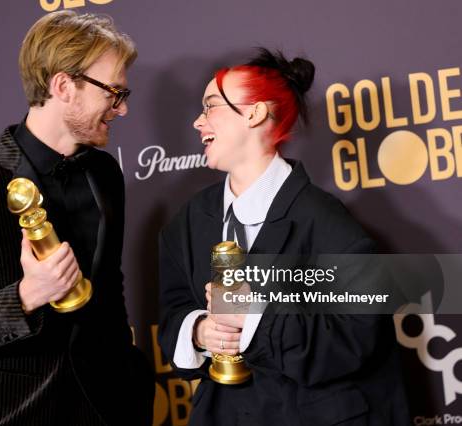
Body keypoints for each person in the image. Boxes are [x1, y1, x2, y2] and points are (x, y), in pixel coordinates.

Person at [158, 48, 410, 425]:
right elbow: (173, 309)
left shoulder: (325, 222)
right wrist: (198, 331)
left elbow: (356, 339)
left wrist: (254, 317)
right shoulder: (191, 219)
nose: (197, 122)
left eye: (211, 106)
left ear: (255, 113)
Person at [0, 11, 153, 426]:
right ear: (64, 86)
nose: (121, 109)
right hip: (21, 412)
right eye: (114, 93)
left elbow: (109, 290)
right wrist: (27, 295)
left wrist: (130, 385)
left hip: (110, 407)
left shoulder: (104, 173)